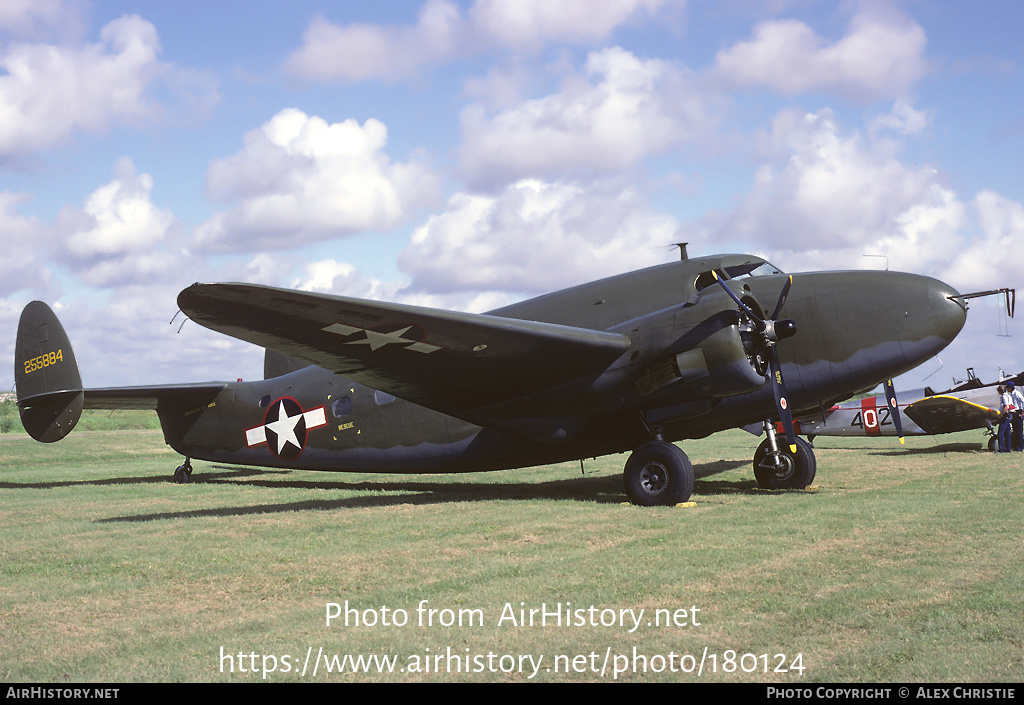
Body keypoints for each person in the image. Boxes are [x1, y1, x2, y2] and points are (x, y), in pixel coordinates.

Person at [1008, 381, 1024, 451]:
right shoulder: (1011, 394)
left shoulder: (1017, 393)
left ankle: (1020, 447)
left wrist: (1023, 413)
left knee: (1019, 431)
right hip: (1014, 412)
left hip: (1018, 412)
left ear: (1010, 388)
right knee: (1015, 430)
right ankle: (1016, 446)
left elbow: (1023, 401)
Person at [998, 385, 1014, 452]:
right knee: (1007, 433)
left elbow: (1006, 406)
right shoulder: (1008, 396)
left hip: (1006, 416)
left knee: (1000, 433)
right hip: (1009, 415)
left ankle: (1002, 449)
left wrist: (1002, 413)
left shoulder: (1004, 396)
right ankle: (1008, 448)